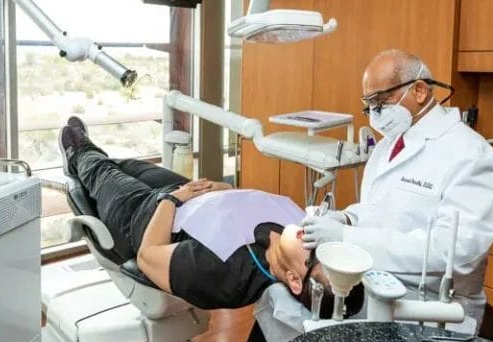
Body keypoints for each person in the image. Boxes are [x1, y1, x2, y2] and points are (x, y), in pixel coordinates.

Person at [303, 49, 493, 333]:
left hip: (431, 304)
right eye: (368, 104)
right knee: (281, 295)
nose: (375, 112)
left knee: (296, 308)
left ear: (419, 90)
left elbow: (457, 252)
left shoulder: (471, 154)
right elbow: (380, 211)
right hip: (381, 282)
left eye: (380, 101)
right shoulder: (389, 144)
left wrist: (350, 238)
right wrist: (347, 219)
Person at [58, 116, 347, 312]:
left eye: (312, 254)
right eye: (324, 244)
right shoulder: (298, 221)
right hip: (188, 194)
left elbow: (148, 256)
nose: (312, 238)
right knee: (123, 165)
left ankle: (78, 155)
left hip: (143, 219)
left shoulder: (225, 274)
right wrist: (220, 188)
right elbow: (243, 204)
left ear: (294, 280)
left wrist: (170, 200)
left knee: (98, 167)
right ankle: (91, 158)